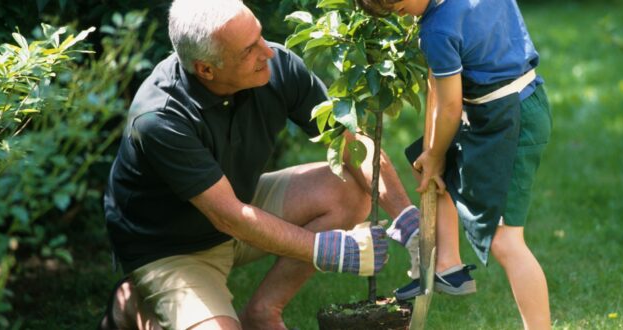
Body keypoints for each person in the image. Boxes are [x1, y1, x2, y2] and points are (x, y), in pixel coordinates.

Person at [97, 0, 420, 329]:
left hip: (238, 202)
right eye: (248, 50)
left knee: (349, 191)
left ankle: (263, 311)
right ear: (206, 68)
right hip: (171, 246)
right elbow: (229, 217)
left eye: (260, 36)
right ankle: (133, 306)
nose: (267, 51)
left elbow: (351, 144)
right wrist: (330, 250)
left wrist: (408, 219)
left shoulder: (275, 65)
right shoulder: (160, 118)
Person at [356, 0, 553, 329]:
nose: (399, 15)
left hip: (509, 119)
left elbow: (449, 108)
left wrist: (436, 155)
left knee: (506, 240)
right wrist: (433, 152)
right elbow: (439, 85)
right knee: (432, 159)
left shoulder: (438, 29)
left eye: (399, 7)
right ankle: (448, 265)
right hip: (505, 106)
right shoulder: (443, 16)